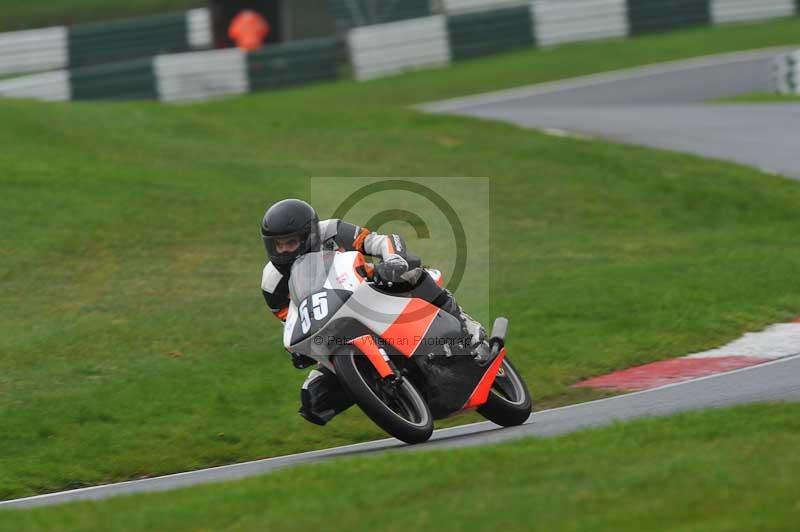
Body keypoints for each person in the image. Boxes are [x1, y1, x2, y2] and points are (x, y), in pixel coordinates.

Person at [260, 198, 485, 426]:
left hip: (368, 289)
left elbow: (379, 241)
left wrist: (393, 261)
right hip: (331, 327)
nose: (285, 249)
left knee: (412, 273)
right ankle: (384, 394)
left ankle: (465, 324)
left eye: (291, 242)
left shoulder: (331, 230)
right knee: (313, 399)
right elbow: (290, 319)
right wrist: (299, 351)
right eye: (279, 245)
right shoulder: (272, 283)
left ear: (308, 234)